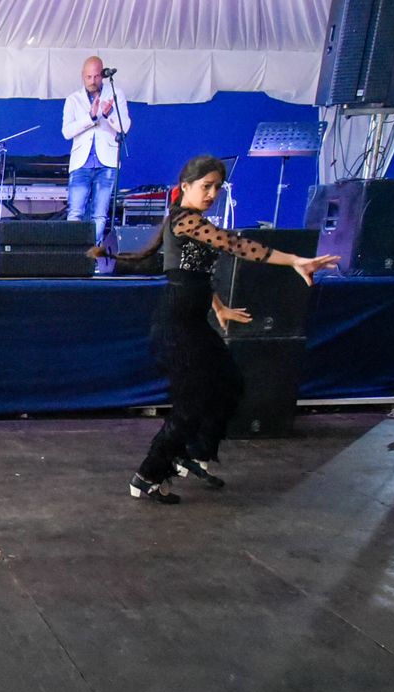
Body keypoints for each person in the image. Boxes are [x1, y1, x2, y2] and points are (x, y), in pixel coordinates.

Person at [98, 155, 338, 504]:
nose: (212, 193)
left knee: (229, 383)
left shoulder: (192, 223)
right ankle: (148, 475)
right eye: (205, 186)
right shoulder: (185, 222)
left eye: (217, 188)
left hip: (194, 322)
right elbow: (238, 245)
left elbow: (193, 274)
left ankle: (193, 452)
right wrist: (295, 260)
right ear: (185, 188)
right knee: (190, 404)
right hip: (177, 326)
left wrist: (220, 307)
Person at [63, 56, 132, 243]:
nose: (92, 81)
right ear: (82, 76)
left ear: (102, 75)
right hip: (81, 162)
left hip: (107, 162)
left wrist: (108, 114)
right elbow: (67, 132)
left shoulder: (115, 94)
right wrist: (91, 117)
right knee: (76, 211)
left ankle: (90, 255)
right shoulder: (73, 99)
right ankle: (73, 254)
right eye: (88, 77)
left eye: (96, 76)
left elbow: (124, 127)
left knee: (100, 214)